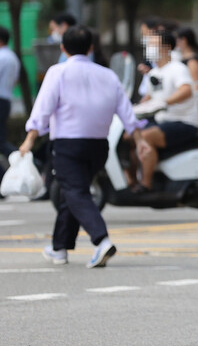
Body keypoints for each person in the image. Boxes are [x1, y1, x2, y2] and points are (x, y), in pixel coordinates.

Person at [18, 26, 141, 268]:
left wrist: (30, 138)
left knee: (76, 192)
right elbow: (127, 114)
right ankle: (59, 248)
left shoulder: (58, 72)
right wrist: (140, 141)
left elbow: (43, 108)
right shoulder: (108, 75)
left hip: (68, 144)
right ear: (91, 47)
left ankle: (101, 240)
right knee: (72, 193)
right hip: (98, 146)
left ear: (62, 48)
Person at [133, 31, 198, 191]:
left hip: (183, 122)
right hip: (162, 120)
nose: (150, 48)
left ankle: (146, 184)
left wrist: (164, 103)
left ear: (167, 47)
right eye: (149, 45)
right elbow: (149, 97)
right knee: (130, 135)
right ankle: (130, 180)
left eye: (154, 45)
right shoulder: (155, 72)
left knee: (145, 137)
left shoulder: (177, 68)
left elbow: (185, 90)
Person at [0, 26, 21, 158]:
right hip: (6, 100)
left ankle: (27, 159)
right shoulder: (13, 57)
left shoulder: (1, 57)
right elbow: (15, 81)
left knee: (1, 142)